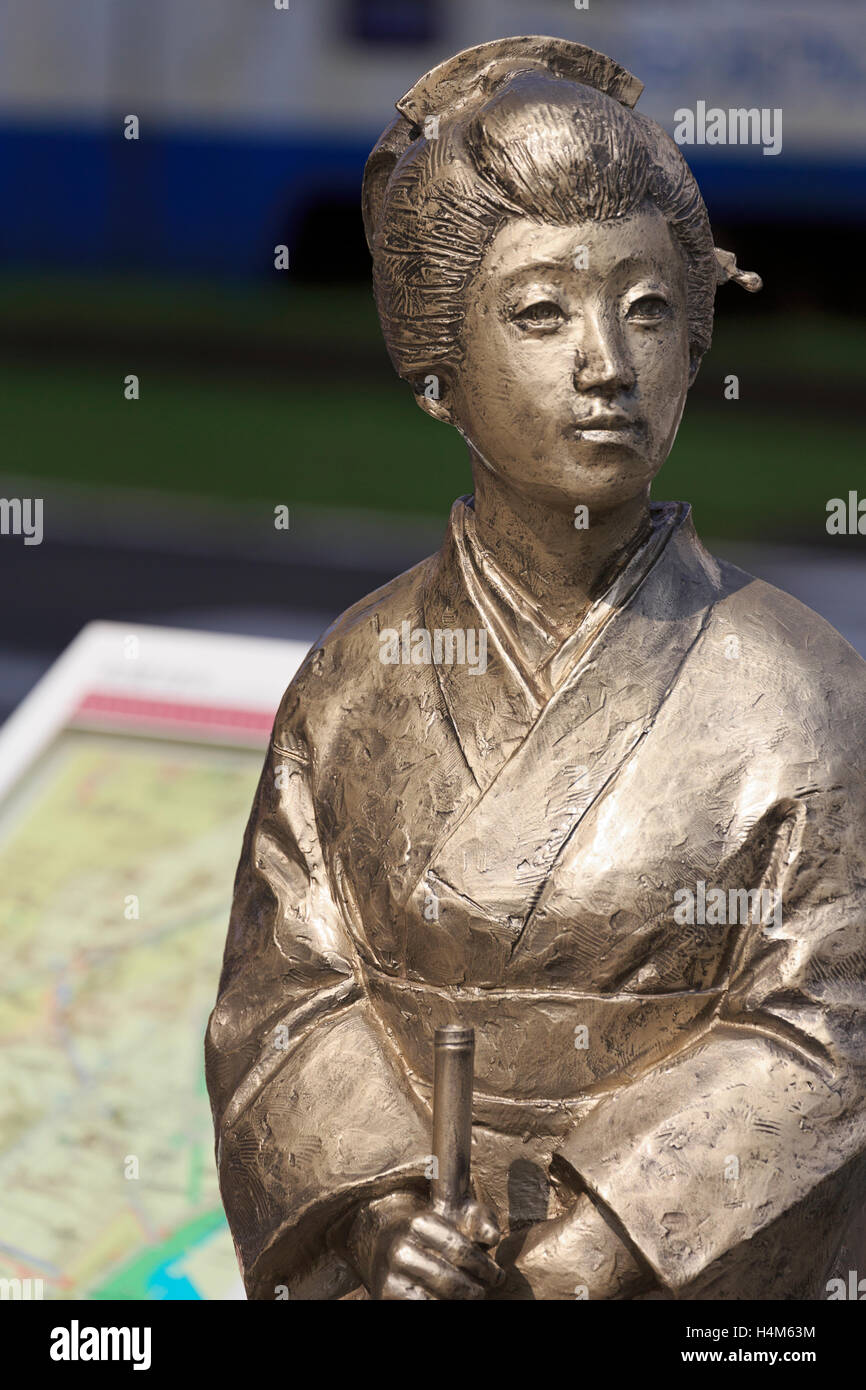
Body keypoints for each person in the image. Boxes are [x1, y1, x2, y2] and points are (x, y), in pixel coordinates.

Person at [206, 37, 866, 1300]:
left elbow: (830, 1023)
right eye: (540, 312)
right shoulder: (355, 684)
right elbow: (282, 1000)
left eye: (649, 305)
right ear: (436, 369)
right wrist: (372, 1209)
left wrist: (612, 1229)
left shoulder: (803, 691)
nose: (606, 364)